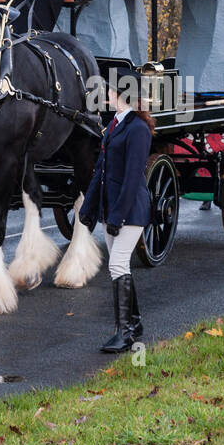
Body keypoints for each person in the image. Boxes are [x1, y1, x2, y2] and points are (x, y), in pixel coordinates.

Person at [79, 69, 154, 353]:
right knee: (118, 266)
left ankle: (124, 334)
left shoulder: (137, 129)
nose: (107, 93)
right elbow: (101, 170)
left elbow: (133, 176)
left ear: (120, 94)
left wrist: (118, 217)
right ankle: (133, 323)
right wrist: (88, 210)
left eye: (110, 89)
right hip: (112, 208)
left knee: (117, 265)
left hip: (130, 210)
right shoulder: (114, 125)